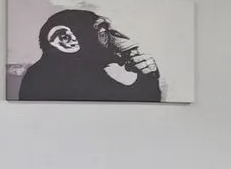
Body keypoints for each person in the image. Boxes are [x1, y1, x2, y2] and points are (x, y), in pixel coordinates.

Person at [17, 9, 162, 101]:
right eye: (103, 32)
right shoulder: (46, 78)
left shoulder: (85, 72)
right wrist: (147, 78)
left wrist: (147, 77)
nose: (124, 41)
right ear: (66, 40)